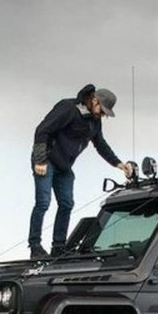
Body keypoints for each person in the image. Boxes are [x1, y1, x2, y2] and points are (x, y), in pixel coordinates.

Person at [28, 84, 132, 259]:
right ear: (94, 101)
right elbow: (42, 130)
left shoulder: (94, 120)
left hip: (64, 166)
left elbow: (100, 144)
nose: (102, 115)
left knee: (67, 203)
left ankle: (58, 247)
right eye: (102, 111)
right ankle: (35, 246)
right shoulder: (68, 108)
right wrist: (40, 160)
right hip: (46, 160)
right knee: (43, 202)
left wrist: (118, 164)